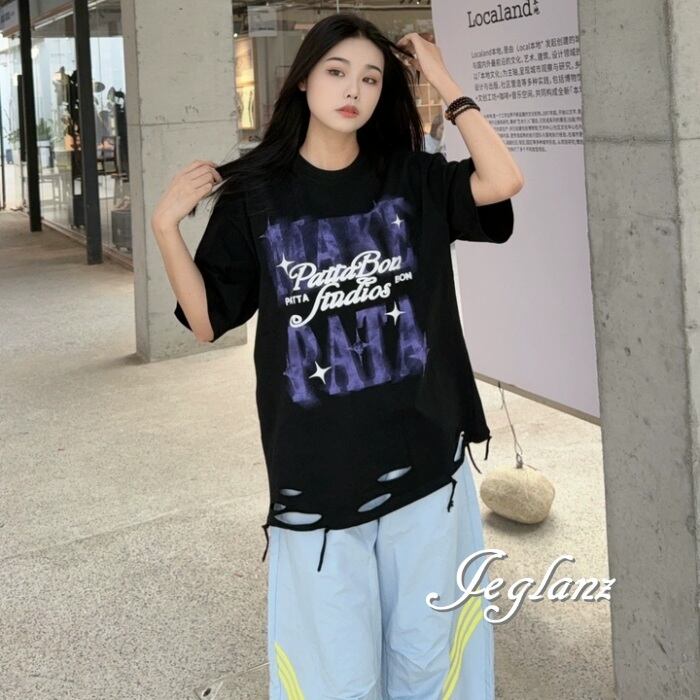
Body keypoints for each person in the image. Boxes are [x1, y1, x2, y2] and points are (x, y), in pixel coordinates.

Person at [151, 12, 523, 699]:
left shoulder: (410, 178)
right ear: (303, 81)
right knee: (335, 678)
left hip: (426, 465)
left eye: (372, 78)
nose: (354, 89)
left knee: (431, 662)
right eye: (337, 71)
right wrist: (164, 226)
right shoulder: (257, 193)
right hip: (317, 477)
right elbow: (206, 322)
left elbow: (501, 181)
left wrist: (443, 80)